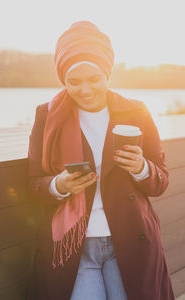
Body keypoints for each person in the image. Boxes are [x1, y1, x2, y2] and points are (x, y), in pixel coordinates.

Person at [26, 21, 174, 300]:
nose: (84, 89)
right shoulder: (46, 116)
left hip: (130, 241)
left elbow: (161, 181)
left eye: (94, 79)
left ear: (108, 74)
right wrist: (59, 185)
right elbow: (34, 184)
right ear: (63, 80)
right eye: (74, 81)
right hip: (72, 249)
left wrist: (141, 169)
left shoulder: (136, 112)